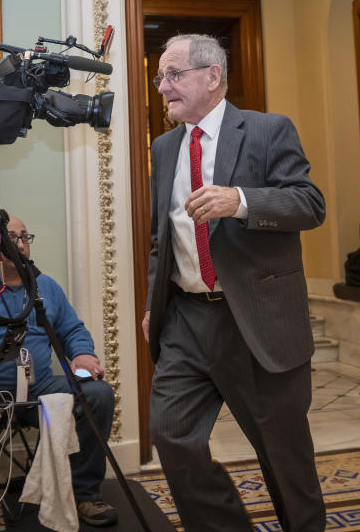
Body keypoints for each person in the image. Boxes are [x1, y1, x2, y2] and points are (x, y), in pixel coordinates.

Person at [142, 33, 327, 531]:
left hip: (257, 321)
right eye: (161, 77)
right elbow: (164, 237)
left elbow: (310, 205)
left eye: (173, 75)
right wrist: (150, 305)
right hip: (184, 319)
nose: (162, 87)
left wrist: (241, 201)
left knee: (284, 458)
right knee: (171, 436)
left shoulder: (268, 131)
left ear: (212, 76)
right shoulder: (163, 148)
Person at [0, 215, 118, 529]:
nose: (21, 244)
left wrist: (82, 353)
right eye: (11, 237)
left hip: (41, 390)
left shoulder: (46, 286)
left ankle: (83, 493)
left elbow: (72, 330)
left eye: (25, 237)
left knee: (97, 394)